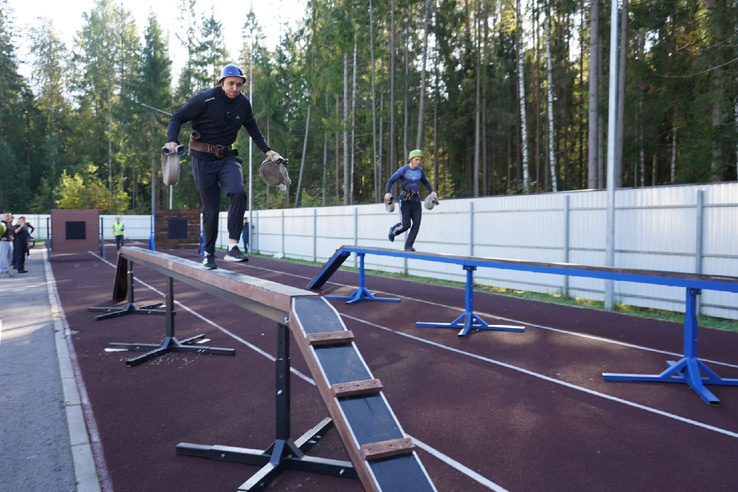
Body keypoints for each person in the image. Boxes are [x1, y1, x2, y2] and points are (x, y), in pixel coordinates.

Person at [165, 64, 282, 270]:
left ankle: (232, 247)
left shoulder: (244, 104)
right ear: (222, 83)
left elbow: (252, 127)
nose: (235, 88)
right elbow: (177, 116)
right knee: (211, 209)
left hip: (227, 157)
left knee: (238, 192)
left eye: (239, 84)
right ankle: (209, 254)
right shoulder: (204, 99)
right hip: (202, 159)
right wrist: (171, 140)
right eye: (231, 83)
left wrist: (268, 150)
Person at [384, 149, 437, 252]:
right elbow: (391, 180)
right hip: (405, 201)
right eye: (417, 160)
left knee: (416, 223)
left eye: (420, 160)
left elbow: (425, 182)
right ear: (411, 159)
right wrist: (387, 192)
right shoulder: (403, 170)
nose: (419, 162)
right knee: (406, 225)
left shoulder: (420, 171)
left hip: (416, 201)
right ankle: (393, 231)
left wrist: (432, 191)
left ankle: (408, 245)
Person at [0, 212, 14, 278]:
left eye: (9, 215)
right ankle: (2, 271)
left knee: (10, 257)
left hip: (9, 241)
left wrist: (11, 236)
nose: (8, 216)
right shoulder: (1, 224)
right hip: (3, 242)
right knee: (3, 257)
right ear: (3, 216)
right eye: (6, 215)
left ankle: (7, 270)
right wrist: (1, 238)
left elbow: (10, 232)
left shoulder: (9, 223)